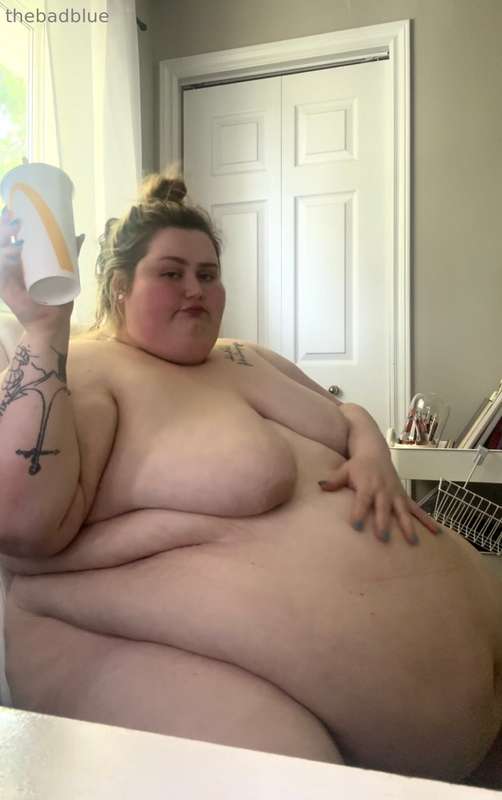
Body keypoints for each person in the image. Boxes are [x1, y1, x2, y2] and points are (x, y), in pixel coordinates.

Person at [0, 174, 501, 787]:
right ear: (119, 285)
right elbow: (22, 525)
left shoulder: (246, 356)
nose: (195, 289)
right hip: (190, 677)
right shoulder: (85, 368)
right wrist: (44, 329)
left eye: (208, 274)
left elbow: (347, 413)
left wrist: (373, 454)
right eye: (171, 273)